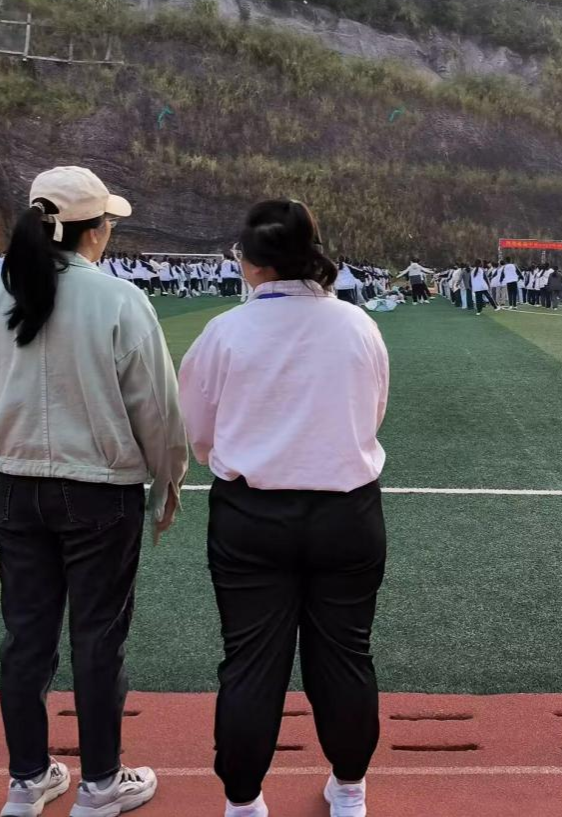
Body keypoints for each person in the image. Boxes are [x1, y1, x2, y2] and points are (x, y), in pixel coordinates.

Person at [0, 166, 186, 817]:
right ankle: (100, 783)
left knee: (25, 637)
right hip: (100, 494)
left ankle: (28, 778)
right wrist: (167, 479)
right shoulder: (118, 300)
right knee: (98, 638)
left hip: (15, 486)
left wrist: (6, 446)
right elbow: (158, 411)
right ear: (95, 230)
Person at [179, 199, 389, 817]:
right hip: (346, 512)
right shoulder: (357, 325)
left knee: (250, 663)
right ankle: (349, 790)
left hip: (251, 514)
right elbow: (372, 412)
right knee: (345, 655)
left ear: (250, 262)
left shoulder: (226, 331)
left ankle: (244, 802)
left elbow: (198, 430)